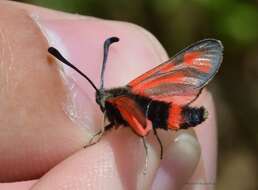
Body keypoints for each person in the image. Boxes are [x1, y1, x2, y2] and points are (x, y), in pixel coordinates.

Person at [0, 1, 217, 189]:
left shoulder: (117, 102)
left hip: (164, 117)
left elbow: (130, 120)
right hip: (166, 112)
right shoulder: (126, 96)